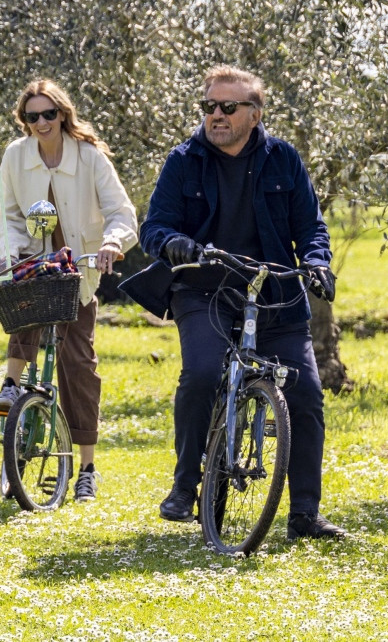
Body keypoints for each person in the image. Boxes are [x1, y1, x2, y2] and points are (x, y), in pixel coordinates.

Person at [120, 64, 344, 539]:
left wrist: (319, 263)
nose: (216, 115)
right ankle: (185, 486)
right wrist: (174, 244)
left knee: (305, 393)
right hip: (204, 290)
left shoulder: (284, 159)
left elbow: (311, 228)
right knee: (202, 373)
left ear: (255, 113)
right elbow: (155, 226)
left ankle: (304, 513)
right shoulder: (184, 160)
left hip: (275, 292)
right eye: (208, 107)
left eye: (228, 107)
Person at [0, 80, 138, 504]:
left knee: (78, 366)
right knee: (27, 302)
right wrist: (15, 251)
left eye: (48, 114)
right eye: (32, 116)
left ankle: (86, 467)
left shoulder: (88, 157)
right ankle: (12, 387)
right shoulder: (16, 156)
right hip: (36, 265)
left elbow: (121, 212)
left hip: (79, 271)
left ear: (63, 115)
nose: (41, 123)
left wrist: (112, 243)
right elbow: (8, 215)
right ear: (24, 120)